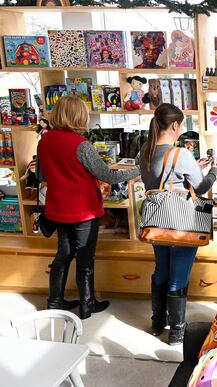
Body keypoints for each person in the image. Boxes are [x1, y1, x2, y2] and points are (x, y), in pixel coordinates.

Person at [37, 95, 140, 319]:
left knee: (63, 255)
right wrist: (138, 170)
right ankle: (87, 304)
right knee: (85, 259)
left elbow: (41, 174)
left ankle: (54, 302)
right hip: (83, 210)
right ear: (78, 116)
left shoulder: (44, 140)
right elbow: (108, 176)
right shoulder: (81, 145)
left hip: (57, 209)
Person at [140, 103, 217, 345]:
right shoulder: (181, 154)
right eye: (181, 125)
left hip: (158, 220)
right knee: (178, 276)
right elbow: (202, 187)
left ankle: (157, 322)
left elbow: (161, 182)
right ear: (175, 125)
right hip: (182, 222)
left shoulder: (144, 150)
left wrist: (195, 170)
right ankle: (177, 331)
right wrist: (214, 170)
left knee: (161, 270)